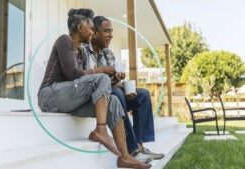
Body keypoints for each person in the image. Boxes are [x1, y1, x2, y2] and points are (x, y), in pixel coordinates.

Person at [38, 8, 151, 169]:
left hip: (70, 100)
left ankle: (124, 156)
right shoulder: (64, 41)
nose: (92, 33)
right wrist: (103, 70)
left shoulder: (81, 52)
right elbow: (73, 74)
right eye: (91, 28)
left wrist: (111, 79)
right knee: (102, 77)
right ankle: (101, 130)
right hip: (49, 96)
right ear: (79, 28)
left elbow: (85, 82)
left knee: (113, 102)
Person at [80, 15, 165, 162]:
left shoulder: (108, 53)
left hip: (112, 93)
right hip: (95, 99)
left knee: (142, 95)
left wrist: (121, 83)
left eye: (112, 31)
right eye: (107, 31)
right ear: (94, 32)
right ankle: (131, 149)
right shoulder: (83, 50)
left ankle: (139, 145)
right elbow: (83, 80)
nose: (111, 35)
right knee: (117, 93)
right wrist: (106, 74)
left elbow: (114, 82)